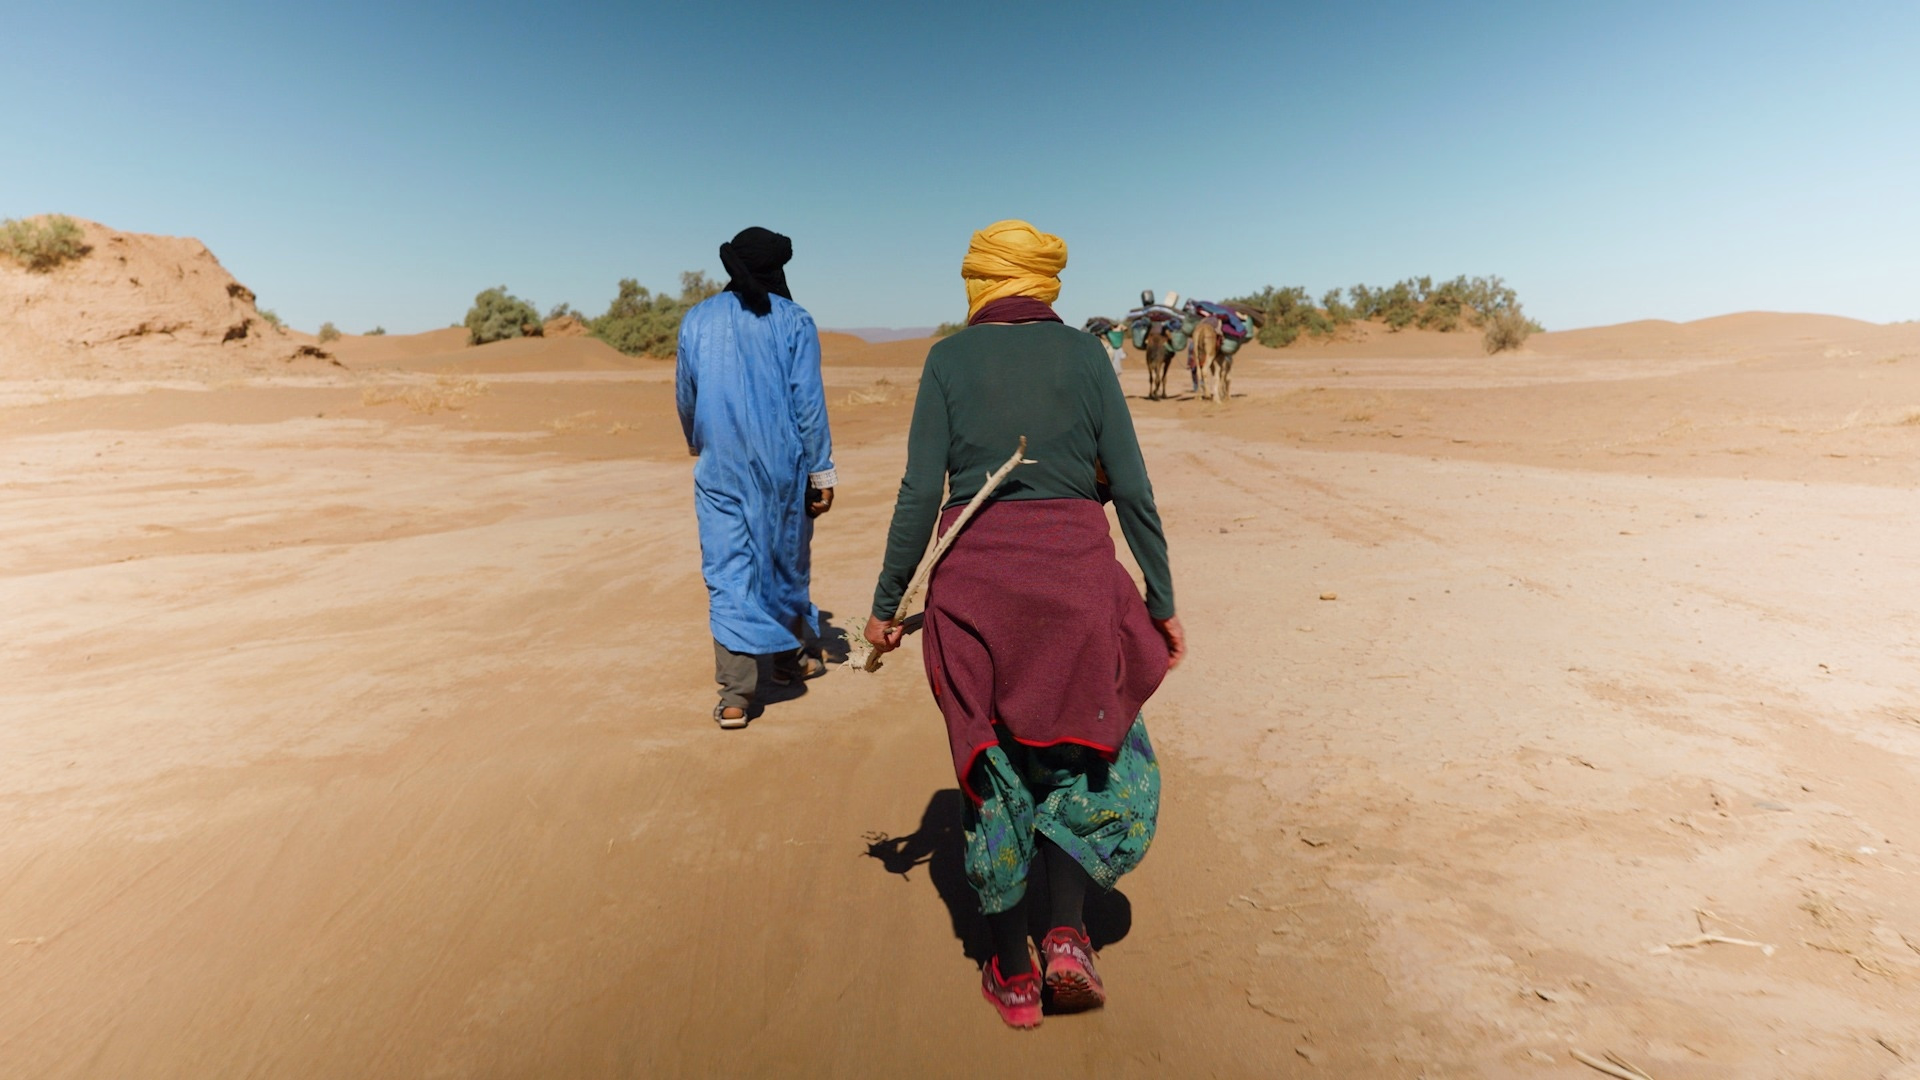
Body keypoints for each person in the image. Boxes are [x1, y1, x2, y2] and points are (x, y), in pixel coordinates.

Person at [865, 220, 1186, 1028]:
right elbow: (1136, 489)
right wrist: (1162, 600)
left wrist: (884, 604)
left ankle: (1012, 971)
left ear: (979, 282)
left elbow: (917, 495)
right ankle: (1070, 935)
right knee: (1090, 754)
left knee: (995, 767)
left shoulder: (945, 358)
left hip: (970, 595)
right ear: (1044, 284)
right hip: (1078, 588)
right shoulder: (1086, 355)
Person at [676, 227, 837, 730]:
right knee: (782, 561)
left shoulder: (697, 319)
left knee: (727, 569)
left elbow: (687, 393)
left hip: (719, 466)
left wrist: (696, 442)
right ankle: (789, 664)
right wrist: (821, 470)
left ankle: (735, 695)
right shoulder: (794, 320)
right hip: (783, 468)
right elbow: (807, 403)